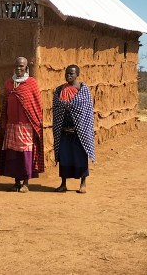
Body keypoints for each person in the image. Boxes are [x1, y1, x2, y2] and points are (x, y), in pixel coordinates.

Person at [0, 56, 44, 193]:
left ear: (26, 68)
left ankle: (25, 182)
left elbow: (37, 105)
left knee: (25, 154)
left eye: (21, 66)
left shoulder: (31, 83)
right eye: (17, 66)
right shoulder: (9, 83)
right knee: (13, 154)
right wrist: (4, 123)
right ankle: (16, 182)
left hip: (26, 126)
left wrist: (37, 123)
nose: (19, 68)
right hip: (12, 125)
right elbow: (5, 104)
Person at [52, 64, 96, 194]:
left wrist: (78, 128)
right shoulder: (59, 90)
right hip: (63, 130)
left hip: (79, 132)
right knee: (64, 157)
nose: (68, 75)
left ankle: (83, 183)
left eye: (71, 73)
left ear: (77, 74)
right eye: (67, 73)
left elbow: (86, 112)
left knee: (80, 156)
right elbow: (57, 108)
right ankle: (63, 184)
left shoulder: (83, 90)